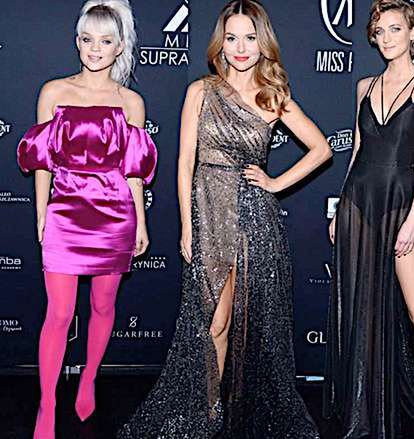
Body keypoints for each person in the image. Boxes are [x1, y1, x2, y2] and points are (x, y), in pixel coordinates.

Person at [118, 1, 331, 437]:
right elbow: (185, 164)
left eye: (250, 38)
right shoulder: (201, 90)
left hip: (253, 220)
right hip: (208, 215)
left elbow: (322, 149)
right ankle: (209, 411)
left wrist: (275, 183)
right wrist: (187, 225)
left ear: (263, 43)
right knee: (210, 320)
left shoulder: (273, 97)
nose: (241, 47)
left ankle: (226, 412)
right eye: (232, 38)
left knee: (239, 325)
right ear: (221, 43)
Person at [323, 1, 414, 438]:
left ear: (412, 33)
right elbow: (357, 152)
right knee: (362, 313)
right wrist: (340, 209)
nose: (387, 38)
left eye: (395, 29)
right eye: (380, 31)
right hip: (358, 204)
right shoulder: (364, 87)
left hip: (400, 205)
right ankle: (364, 412)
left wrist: (413, 220)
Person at [16, 1, 157, 438]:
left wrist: (141, 222)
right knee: (59, 313)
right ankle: (47, 404)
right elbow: (42, 161)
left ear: (120, 47)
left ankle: (90, 378)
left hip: (114, 215)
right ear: (77, 42)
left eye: (105, 41)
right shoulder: (53, 92)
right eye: (87, 39)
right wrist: (42, 212)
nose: (95, 48)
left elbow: (134, 171)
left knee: (102, 305)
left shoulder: (131, 102)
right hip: (65, 211)